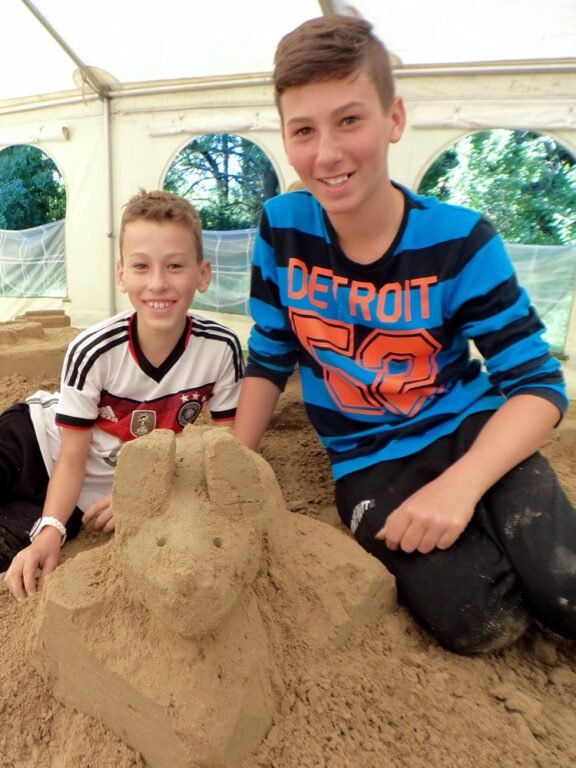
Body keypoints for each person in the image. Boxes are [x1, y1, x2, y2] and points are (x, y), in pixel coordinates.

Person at [233, 16, 576, 654]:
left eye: (349, 120)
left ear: (394, 119)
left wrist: (464, 483)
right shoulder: (281, 227)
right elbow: (270, 354)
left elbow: (537, 386)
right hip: (368, 459)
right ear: (284, 137)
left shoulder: (460, 238)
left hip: (467, 425)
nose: (327, 152)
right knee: (477, 621)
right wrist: (234, 462)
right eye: (303, 130)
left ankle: (510, 515)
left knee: (565, 583)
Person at [4, 189, 244, 600]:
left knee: (20, 553)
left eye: (175, 266)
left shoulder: (221, 349)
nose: (157, 282)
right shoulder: (94, 349)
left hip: (88, 499)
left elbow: (227, 448)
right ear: (121, 275)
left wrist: (139, 492)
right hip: (36, 440)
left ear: (202, 274)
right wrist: (51, 529)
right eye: (141, 266)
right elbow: (71, 458)